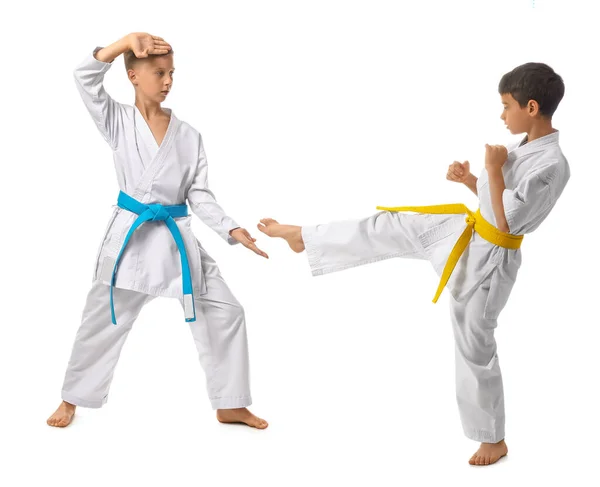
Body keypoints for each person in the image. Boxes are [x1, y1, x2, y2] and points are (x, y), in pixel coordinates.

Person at [257, 62, 569, 465]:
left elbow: (508, 220)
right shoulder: (521, 147)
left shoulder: (553, 165)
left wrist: (491, 171)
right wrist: (471, 181)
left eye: (505, 105)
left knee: (474, 344)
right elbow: (492, 203)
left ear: (530, 106)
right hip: (469, 232)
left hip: (491, 262)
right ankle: (306, 237)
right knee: (396, 223)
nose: (501, 114)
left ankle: (493, 439)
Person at [47, 32, 268, 430]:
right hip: (131, 240)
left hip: (175, 241)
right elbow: (84, 77)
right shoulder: (117, 121)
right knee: (102, 321)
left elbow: (198, 194)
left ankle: (230, 402)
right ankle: (71, 399)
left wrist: (231, 228)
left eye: (171, 73)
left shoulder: (189, 135)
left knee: (227, 311)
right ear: (132, 75)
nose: (167, 81)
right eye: (158, 72)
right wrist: (122, 43)